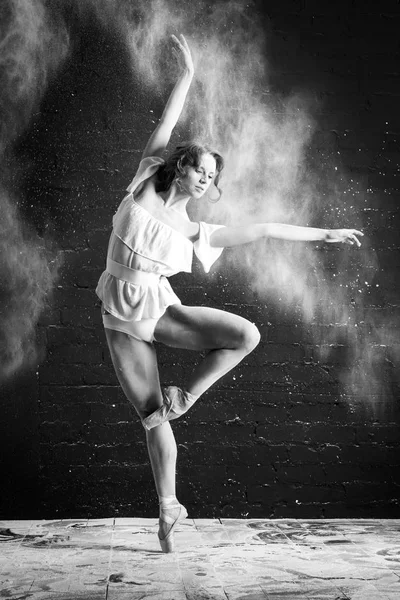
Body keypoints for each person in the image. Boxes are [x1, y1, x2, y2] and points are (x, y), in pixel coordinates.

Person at [96, 34, 363, 553]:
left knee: (246, 334)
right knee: (151, 417)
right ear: (181, 166)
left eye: (213, 176)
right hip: (120, 315)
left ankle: (187, 396)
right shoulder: (148, 177)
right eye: (200, 169)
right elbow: (167, 124)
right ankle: (169, 508)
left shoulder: (195, 230)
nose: (205, 180)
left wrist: (325, 234)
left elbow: (262, 228)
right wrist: (188, 78)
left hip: (156, 305)